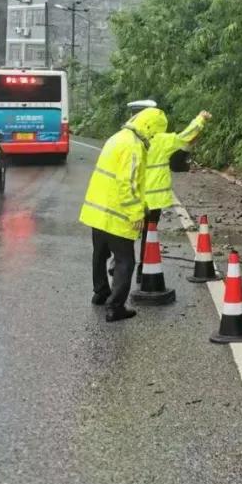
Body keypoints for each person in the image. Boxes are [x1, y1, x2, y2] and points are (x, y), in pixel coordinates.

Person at [79, 108, 167, 323]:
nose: (154, 139)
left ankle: (100, 293)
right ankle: (115, 307)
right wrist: (137, 213)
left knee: (100, 253)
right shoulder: (134, 147)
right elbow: (126, 184)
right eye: (155, 134)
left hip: (97, 211)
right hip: (117, 214)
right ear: (148, 129)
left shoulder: (117, 138)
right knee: (125, 261)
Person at [134, 107, 212, 277]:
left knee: (127, 232)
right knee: (149, 235)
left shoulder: (133, 140)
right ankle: (143, 269)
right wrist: (201, 118)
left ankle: (118, 263)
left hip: (133, 197)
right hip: (154, 200)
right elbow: (186, 135)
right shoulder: (162, 140)